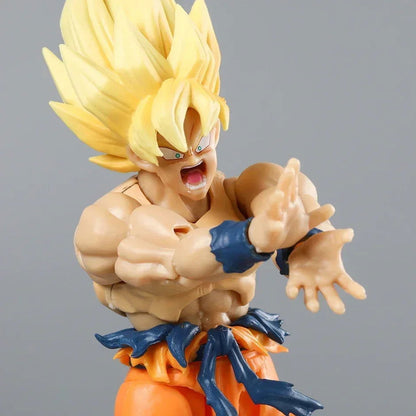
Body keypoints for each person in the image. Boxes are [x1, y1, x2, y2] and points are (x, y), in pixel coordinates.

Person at [43, 0, 366, 415]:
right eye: (170, 149)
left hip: (245, 361)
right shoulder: (111, 221)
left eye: (202, 139)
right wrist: (251, 238)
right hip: (165, 378)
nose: (192, 157)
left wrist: (305, 243)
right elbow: (181, 258)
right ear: (137, 152)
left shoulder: (241, 189)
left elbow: (280, 197)